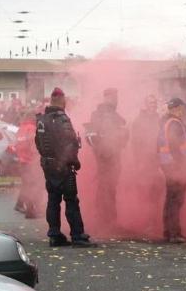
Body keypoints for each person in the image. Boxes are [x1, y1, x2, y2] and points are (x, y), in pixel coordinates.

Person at [35, 88, 92, 247]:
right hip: (63, 167)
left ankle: (54, 235)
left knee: (53, 200)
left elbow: (38, 143)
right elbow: (70, 143)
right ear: (61, 100)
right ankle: (77, 235)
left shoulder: (41, 119)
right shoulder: (62, 119)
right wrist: (73, 161)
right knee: (71, 200)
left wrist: (48, 159)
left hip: (48, 166)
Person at [85, 88, 129, 225]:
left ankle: (108, 217)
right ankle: (104, 218)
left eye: (116, 96)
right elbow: (90, 137)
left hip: (113, 155)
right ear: (107, 98)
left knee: (109, 186)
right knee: (106, 186)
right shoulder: (99, 115)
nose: (116, 99)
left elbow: (123, 134)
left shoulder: (113, 115)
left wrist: (121, 141)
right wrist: (102, 151)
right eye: (114, 97)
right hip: (106, 157)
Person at [157, 98, 186, 243]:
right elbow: (179, 147)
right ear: (176, 108)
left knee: (171, 199)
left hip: (168, 165)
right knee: (176, 200)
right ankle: (173, 233)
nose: (183, 111)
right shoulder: (175, 124)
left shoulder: (166, 122)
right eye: (181, 108)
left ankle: (169, 231)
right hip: (176, 166)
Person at [15, 110, 43, 217]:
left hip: (22, 160)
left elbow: (17, 144)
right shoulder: (32, 129)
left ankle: (19, 204)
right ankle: (30, 211)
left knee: (26, 184)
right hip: (30, 161)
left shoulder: (21, 129)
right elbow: (34, 146)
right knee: (32, 185)